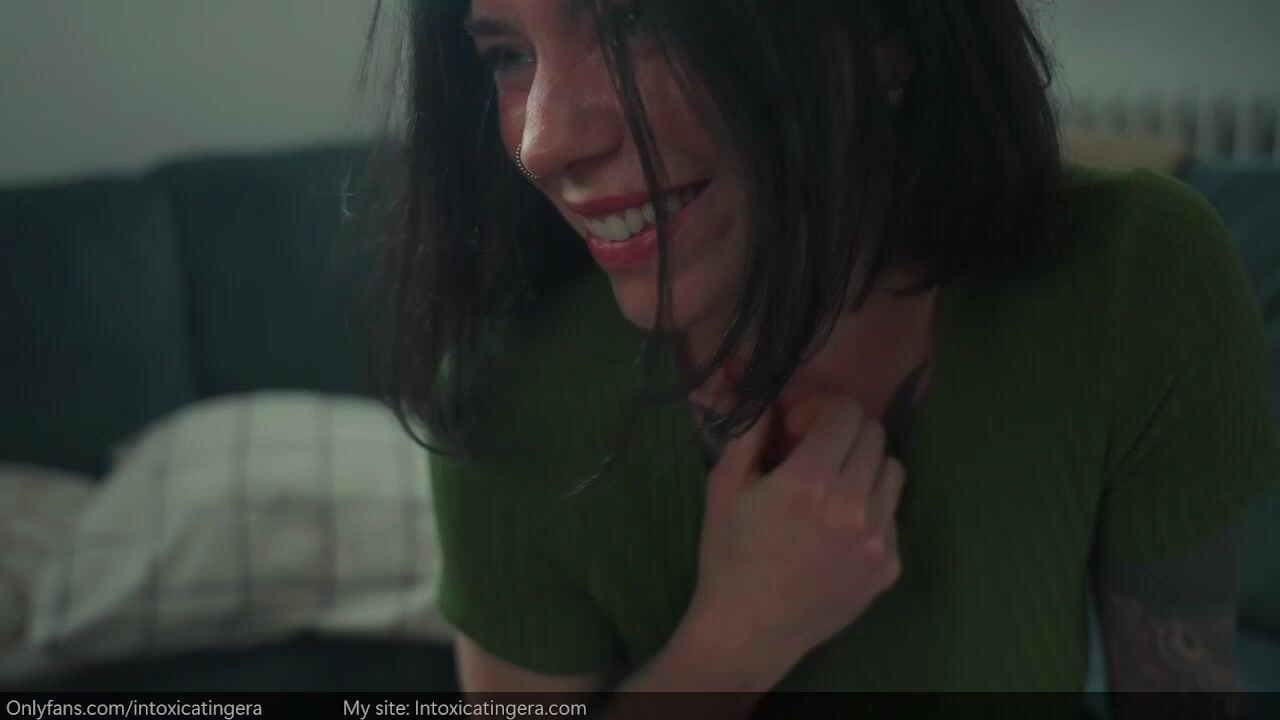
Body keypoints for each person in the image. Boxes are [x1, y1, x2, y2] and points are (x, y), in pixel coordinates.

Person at [373, 0, 1280, 714]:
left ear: (888, 33)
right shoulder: (504, 392)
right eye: (507, 54)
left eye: (639, 20)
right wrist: (731, 643)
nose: (543, 142)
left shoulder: (1138, 278)